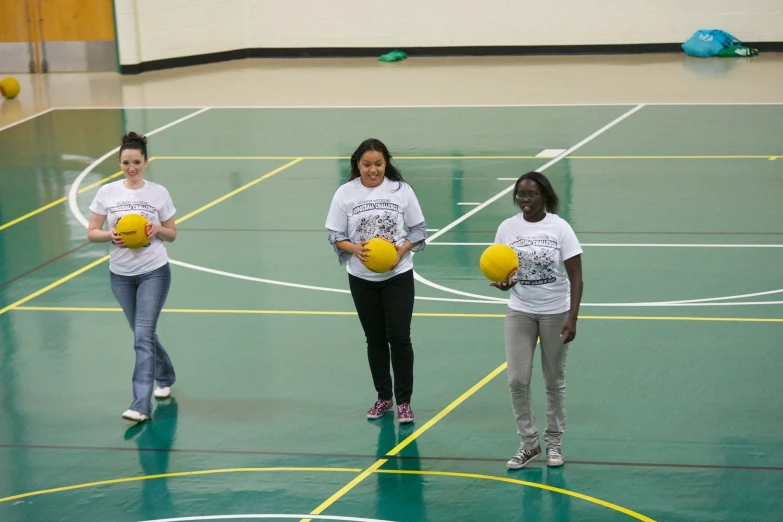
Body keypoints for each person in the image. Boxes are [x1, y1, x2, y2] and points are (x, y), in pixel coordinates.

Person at [325, 138, 427, 423]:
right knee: (375, 339)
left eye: (378, 164)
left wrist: (401, 250)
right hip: (362, 278)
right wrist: (355, 249)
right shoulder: (345, 193)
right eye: (367, 164)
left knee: (400, 337)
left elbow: (418, 230)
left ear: (386, 163)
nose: (373, 170)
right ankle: (384, 398)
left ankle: (404, 402)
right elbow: (335, 235)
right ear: (357, 164)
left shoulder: (401, 190)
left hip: (398, 275)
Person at [491, 171, 584, 469]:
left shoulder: (560, 228)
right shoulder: (507, 228)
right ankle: (528, 444)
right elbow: (502, 268)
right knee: (517, 379)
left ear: (544, 195)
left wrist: (572, 317)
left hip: (556, 312)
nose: (525, 200)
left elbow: (577, 278)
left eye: (531, 194)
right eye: (520, 195)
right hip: (520, 310)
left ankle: (554, 443)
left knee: (554, 380)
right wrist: (505, 283)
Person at [87, 132, 178, 423]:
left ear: (145, 162)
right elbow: (92, 232)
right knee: (143, 334)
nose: (132, 167)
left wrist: (156, 229)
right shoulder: (107, 193)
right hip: (121, 276)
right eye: (126, 162)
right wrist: (108, 236)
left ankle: (140, 404)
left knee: (141, 335)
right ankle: (165, 375)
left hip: (154, 272)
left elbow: (172, 233)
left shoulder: (158, 193)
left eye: (137, 162)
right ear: (120, 163)